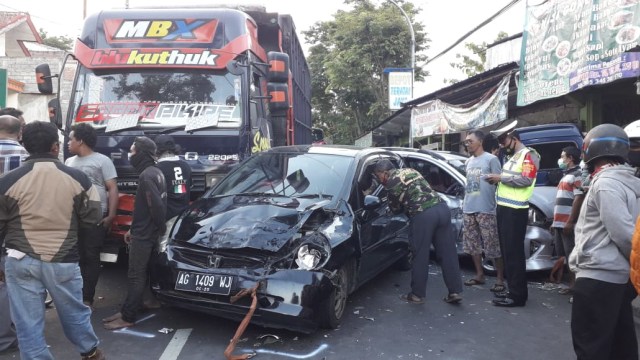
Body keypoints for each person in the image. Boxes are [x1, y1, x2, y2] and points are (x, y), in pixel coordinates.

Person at [0, 121, 105, 360]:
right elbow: (93, 218)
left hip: (20, 260)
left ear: (24, 145)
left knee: (28, 325)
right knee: (74, 314)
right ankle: (91, 353)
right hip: (64, 260)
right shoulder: (79, 179)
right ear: (56, 147)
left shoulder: (7, 181)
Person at [568, 124, 639, 360]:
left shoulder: (606, 183)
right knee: (621, 346)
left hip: (598, 277)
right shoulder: (628, 182)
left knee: (591, 347)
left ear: (591, 150)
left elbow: (624, 234)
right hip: (618, 278)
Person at [373, 160, 463, 305]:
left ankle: (417, 295)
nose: (379, 180)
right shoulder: (410, 171)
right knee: (447, 253)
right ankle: (454, 292)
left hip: (424, 215)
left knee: (420, 253)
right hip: (442, 209)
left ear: (384, 173)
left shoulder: (391, 182)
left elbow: (395, 209)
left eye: (378, 176)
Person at [103, 136, 166, 330]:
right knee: (143, 273)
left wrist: (154, 230)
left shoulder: (146, 176)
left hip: (144, 235)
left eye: (132, 151)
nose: (130, 155)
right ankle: (135, 306)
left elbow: (156, 207)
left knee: (135, 275)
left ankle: (128, 316)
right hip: (144, 231)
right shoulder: (156, 172)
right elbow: (149, 207)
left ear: (141, 153)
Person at [486, 120, 540, 307]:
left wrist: (500, 178)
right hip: (505, 209)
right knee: (508, 253)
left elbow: (526, 180)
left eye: (503, 140)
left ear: (514, 138)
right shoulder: (513, 157)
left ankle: (517, 296)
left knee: (514, 254)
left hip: (516, 211)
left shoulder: (528, 155)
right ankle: (512, 291)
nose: (500, 144)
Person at [65, 123, 119, 307]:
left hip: (95, 216)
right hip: (72, 217)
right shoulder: (68, 162)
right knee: (73, 256)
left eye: (71, 139)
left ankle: (87, 297)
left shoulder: (102, 161)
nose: (68, 143)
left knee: (90, 256)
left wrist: (111, 216)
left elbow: (112, 189)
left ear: (80, 141)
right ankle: (74, 295)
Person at [461, 130, 505, 292]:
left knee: (492, 245)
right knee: (472, 245)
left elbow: (500, 182)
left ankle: (500, 279)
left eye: (470, 141)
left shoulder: (491, 159)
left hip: (486, 209)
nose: (467, 144)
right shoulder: (468, 162)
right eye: (466, 142)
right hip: (469, 207)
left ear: (480, 142)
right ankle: (479, 274)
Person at [0, 115, 29, 355]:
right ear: (19, 132)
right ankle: (9, 335)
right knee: (15, 283)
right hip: (19, 231)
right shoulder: (29, 159)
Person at [549, 146, 582, 293]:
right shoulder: (566, 175)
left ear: (570, 158)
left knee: (572, 256)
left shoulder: (577, 174)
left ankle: (575, 287)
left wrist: (570, 221)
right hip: (559, 222)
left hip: (567, 223)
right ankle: (571, 285)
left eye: (563, 157)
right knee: (565, 256)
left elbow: (578, 199)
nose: (561, 159)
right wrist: (554, 222)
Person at [153, 135, 191, 220]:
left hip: (166, 219)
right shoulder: (185, 166)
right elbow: (180, 189)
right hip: (183, 218)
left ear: (157, 150)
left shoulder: (157, 169)